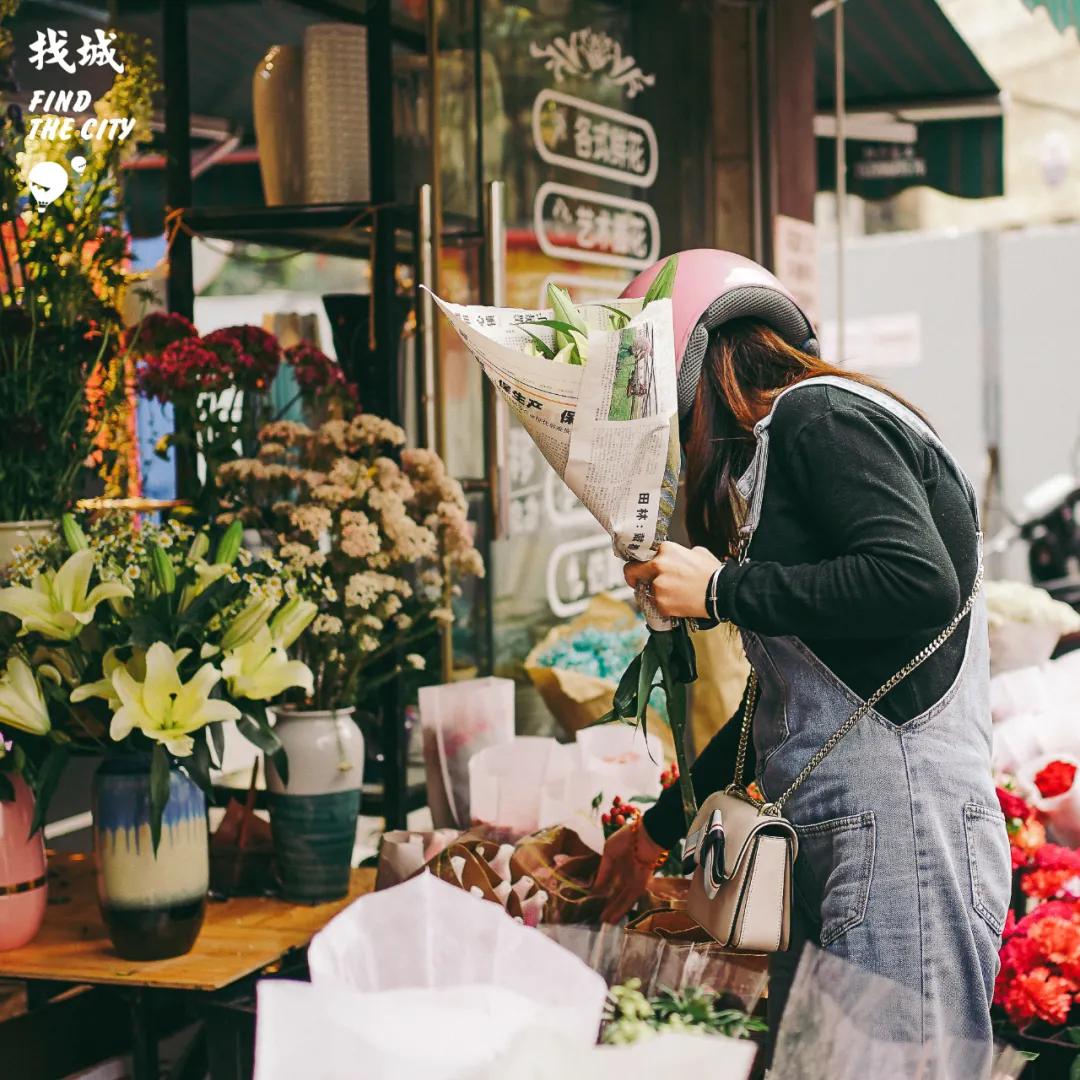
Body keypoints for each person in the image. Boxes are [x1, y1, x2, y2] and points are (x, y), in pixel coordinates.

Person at [594, 249, 1011, 1065]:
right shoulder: (787, 449)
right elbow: (784, 706)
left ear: (694, 368)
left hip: (904, 843)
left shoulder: (818, 415)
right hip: (867, 837)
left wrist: (723, 592)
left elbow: (914, 579)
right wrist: (655, 831)